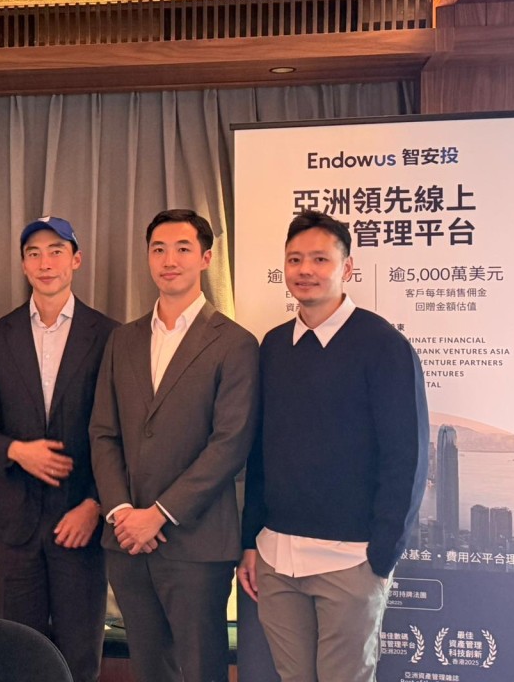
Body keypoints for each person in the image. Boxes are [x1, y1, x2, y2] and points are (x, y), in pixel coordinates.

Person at [237, 211, 428, 682]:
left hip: (351, 560)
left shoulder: (383, 345)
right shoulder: (273, 346)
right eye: (295, 259)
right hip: (277, 558)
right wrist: (250, 541)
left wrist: (382, 555)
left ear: (347, 268)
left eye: (320, 259)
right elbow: (260, 452)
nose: (306, 269)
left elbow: (407, 457)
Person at [90, 209, 259, 682]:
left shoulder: (234, 343)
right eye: (158, 249)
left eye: (183, 249)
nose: (170, 260)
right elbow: (102, 432)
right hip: (127, 542)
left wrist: (158, 514)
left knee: (201, 669)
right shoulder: (122, 340)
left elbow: (230, 444)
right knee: (149, 669)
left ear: (205, 258)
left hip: (196, 544)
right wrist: (122, 512)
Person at [0, 216, 118, 682]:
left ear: (76, 259)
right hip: (13, 525)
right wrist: (18, 452)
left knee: (79, 658)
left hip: (80, 524)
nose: (45, 262)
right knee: (17, 657)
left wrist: (95, 504)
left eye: (56, 251)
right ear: (23, 264)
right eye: (34, 253)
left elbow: (119, 434)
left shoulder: (111, 335)